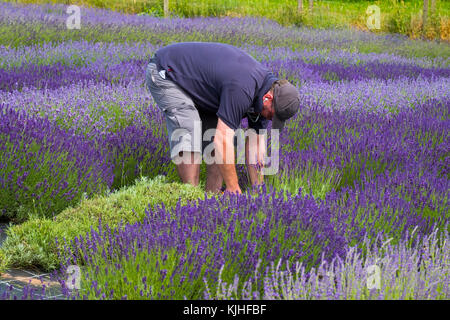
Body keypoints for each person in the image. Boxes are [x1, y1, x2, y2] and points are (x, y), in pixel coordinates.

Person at [145, 42, 300, 194]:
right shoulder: (242, 88)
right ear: (268, 98)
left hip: (206, 89)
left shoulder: (267, 99)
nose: (271, 119)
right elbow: (222, 141)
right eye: (272, 115)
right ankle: (190, 198)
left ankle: (211, 199)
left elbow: (256, 144)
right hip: (168, 72)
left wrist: (258, 192)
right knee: (188, 129)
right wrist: (233, 186)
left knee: (219, 142)